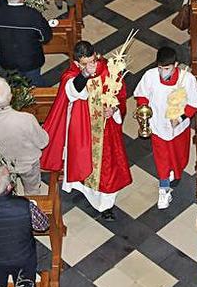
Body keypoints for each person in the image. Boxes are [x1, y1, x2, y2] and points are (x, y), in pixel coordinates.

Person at [39, 41, 132, 220]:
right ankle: (81, 186)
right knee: (81, 159)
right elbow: (73, 91)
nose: (91, 66)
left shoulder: (107, 68)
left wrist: (114, 109)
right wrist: (84, 74)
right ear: (76, 63)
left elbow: (119, 94)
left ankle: (106, 204)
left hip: (106, 128)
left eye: (93, 60)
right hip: (82, 127)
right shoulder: (71, 74)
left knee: (107, 166)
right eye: (85, 63)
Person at [133, 46, 197, 209]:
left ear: (176, 64)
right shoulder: (150, 76)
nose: (162, 72)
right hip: (158, 125)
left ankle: (175, 171)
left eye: (166, 68)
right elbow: (141, 95)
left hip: (179, 128)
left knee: (179, 157)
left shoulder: (187, 80)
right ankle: (164, 189)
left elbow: (194, 104)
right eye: (160, 68)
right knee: (162, 158)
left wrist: (180, 118)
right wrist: (144, 109)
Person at [0, 80, 50, 194]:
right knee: (32, 190)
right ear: (10, 97)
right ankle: (32, 205)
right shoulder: (26, 119)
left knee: (4, 190)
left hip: (2, 167)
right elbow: (43, 142)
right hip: (27, 164)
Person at [0, 0, 53, 84]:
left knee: (14, 84)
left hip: (7, 59)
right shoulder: (33, 15)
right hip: (31, 61)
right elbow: (45, 37)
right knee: (35, 84)